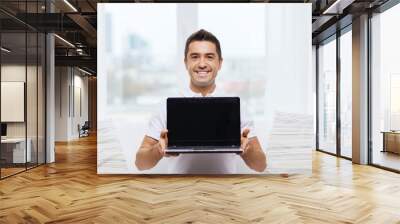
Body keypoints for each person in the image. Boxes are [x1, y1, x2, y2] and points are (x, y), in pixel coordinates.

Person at [135, 29, 267, 173]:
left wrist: (247, 150)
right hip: (181, 191)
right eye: (195, 57)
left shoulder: (237, 107)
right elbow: (141, 163)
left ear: (220, 63)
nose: (202, 64)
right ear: (186, 63)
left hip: (224, 191)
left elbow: (261, 165)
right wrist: (158, 150)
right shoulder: (165, 107)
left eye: (209, 57)